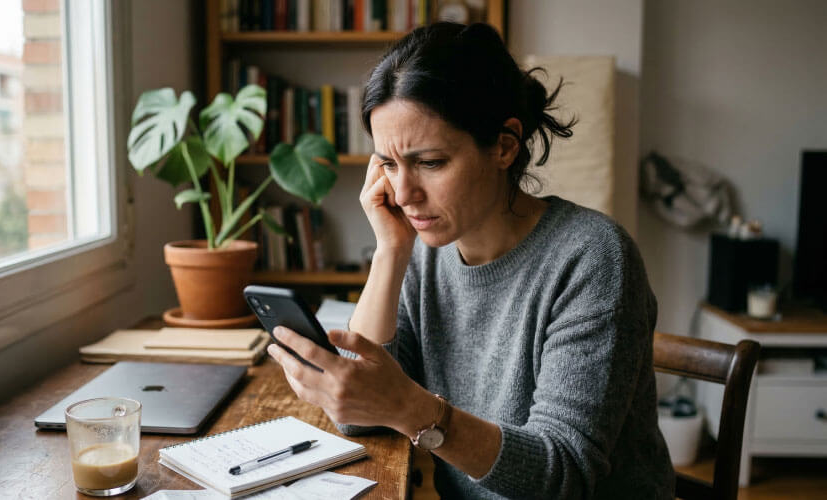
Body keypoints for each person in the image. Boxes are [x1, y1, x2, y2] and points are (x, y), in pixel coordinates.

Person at [265, 22, 675, 499]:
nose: (403, 193)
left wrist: (413, 410)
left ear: (504, 145)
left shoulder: (592, 257)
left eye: (431, 162)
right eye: (389, 165)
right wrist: (390, 251)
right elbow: (358, 416)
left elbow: (561, 474)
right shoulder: (426, 252)